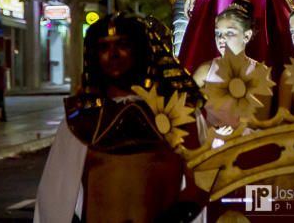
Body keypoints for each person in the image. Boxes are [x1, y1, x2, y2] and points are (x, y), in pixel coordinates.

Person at [34, 14, 206, 223]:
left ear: (141, 50)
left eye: (123, 45)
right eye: (104, 48)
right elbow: (54, 200)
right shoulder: (80, 122)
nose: (113, 54)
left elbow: (201, 183)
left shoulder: (178, 115)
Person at [193, 0, 271, 128]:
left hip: (244, 141)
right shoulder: (205, 70)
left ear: (246, 36)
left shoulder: (260, 72)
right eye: (218, 33)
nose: (222, 38)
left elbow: (261, 120)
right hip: (210, 142)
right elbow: (185, 105)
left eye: (229, 33)